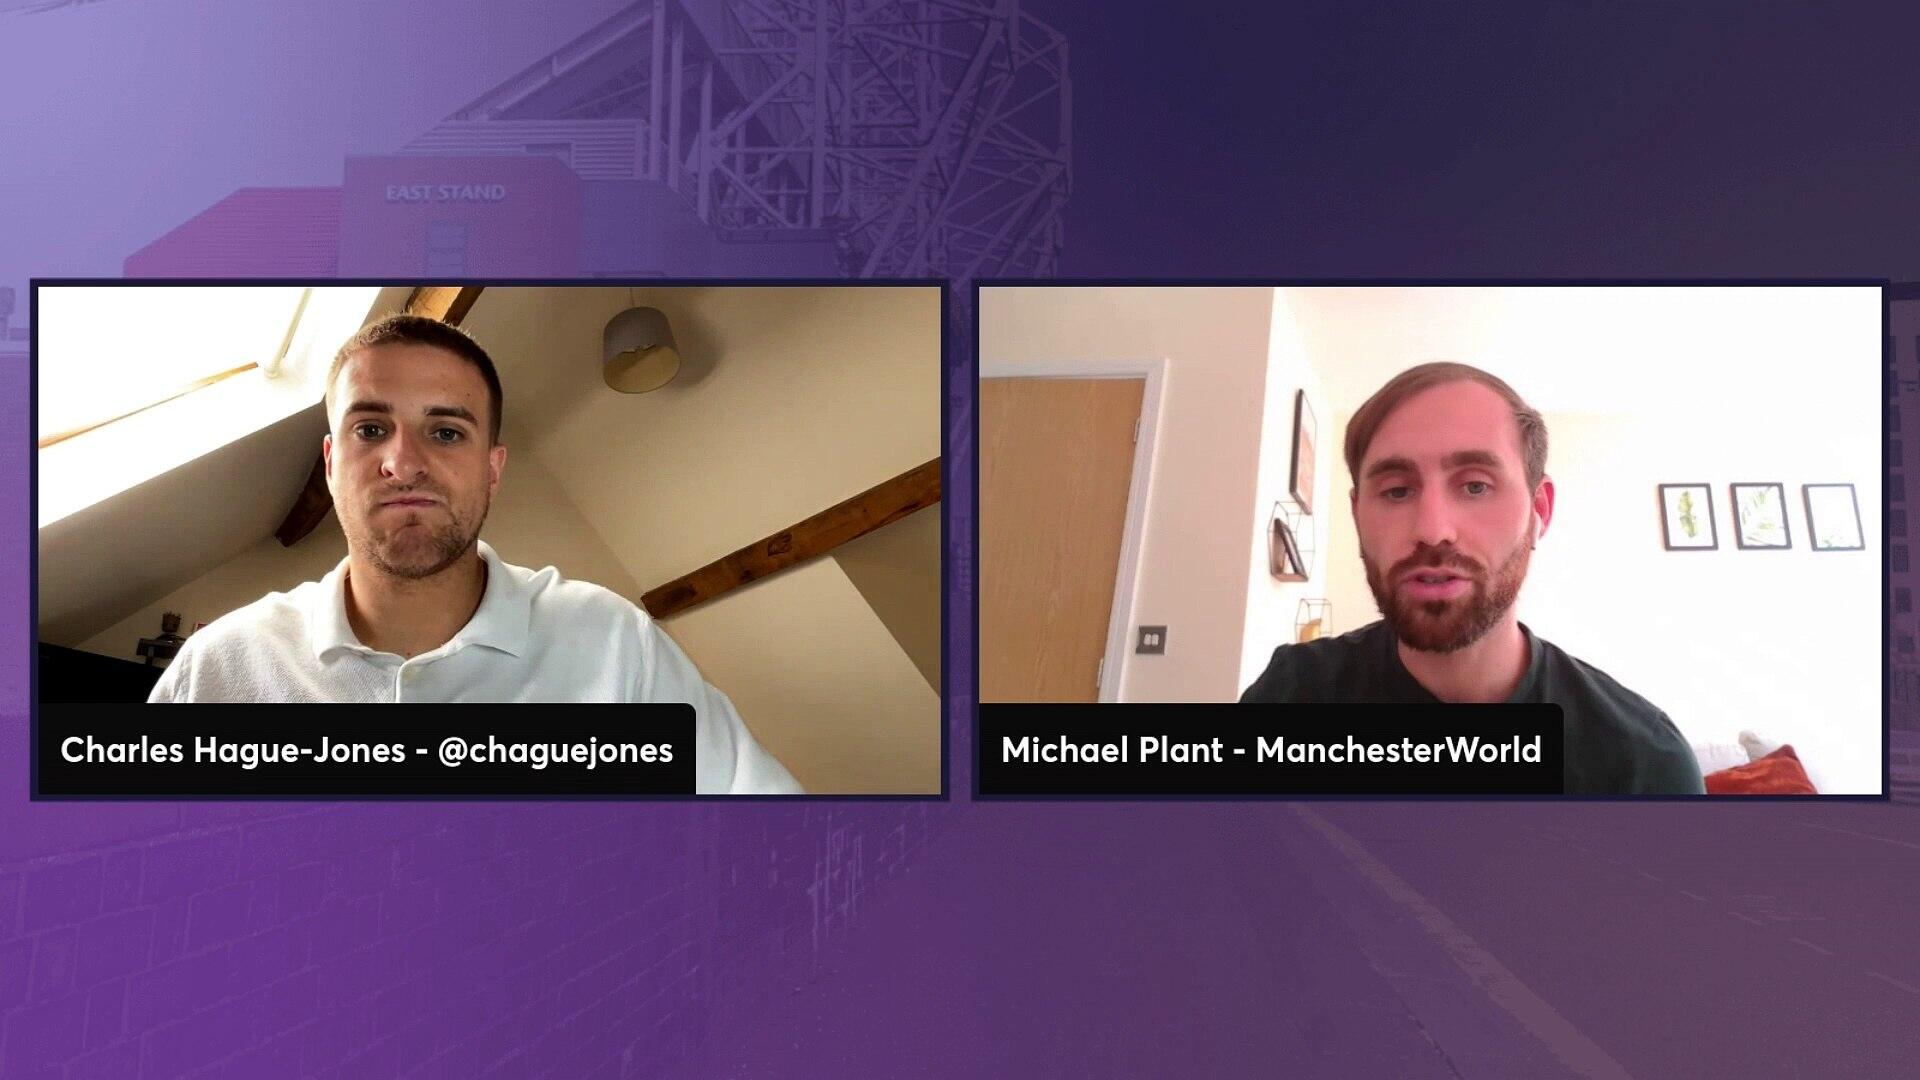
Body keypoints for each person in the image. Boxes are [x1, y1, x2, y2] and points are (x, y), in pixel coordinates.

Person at [150, 314, 803, 795]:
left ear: (493, 470)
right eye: (370, 428)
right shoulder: (218, 669)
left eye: (445, 431)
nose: (404, 462)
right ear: (330, 463)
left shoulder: (612, 642)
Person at [1240, 362, 1703, 795]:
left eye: (1475, 486)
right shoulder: (1290, 695)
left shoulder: (1643, 766)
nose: (1432, 530)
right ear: (1358, 515)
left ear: (1539, 511)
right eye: (1397, 491)